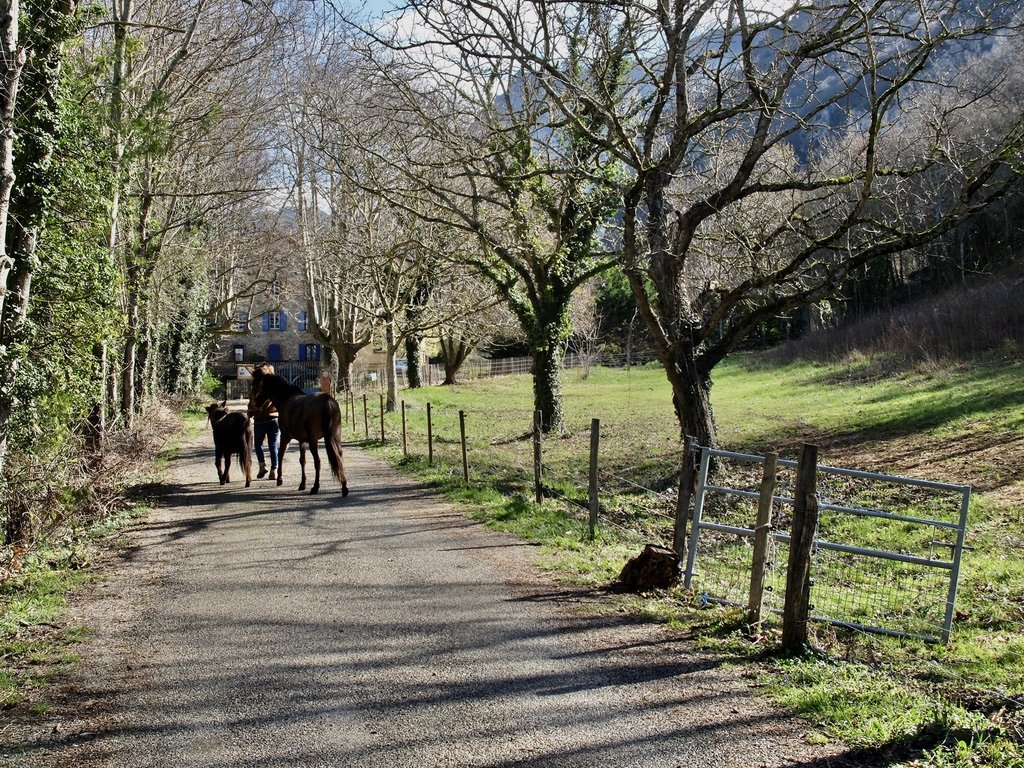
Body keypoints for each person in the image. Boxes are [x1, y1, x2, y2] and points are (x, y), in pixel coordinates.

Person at [247, 363, 280, 480]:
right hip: (274, 419)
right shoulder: (274, 389)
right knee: (273, 446)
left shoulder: (255, 390)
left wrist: (251, 412)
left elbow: (251, 404)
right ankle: (274, 470)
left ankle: (262, 466)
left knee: (258, 445)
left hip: (260, 420)